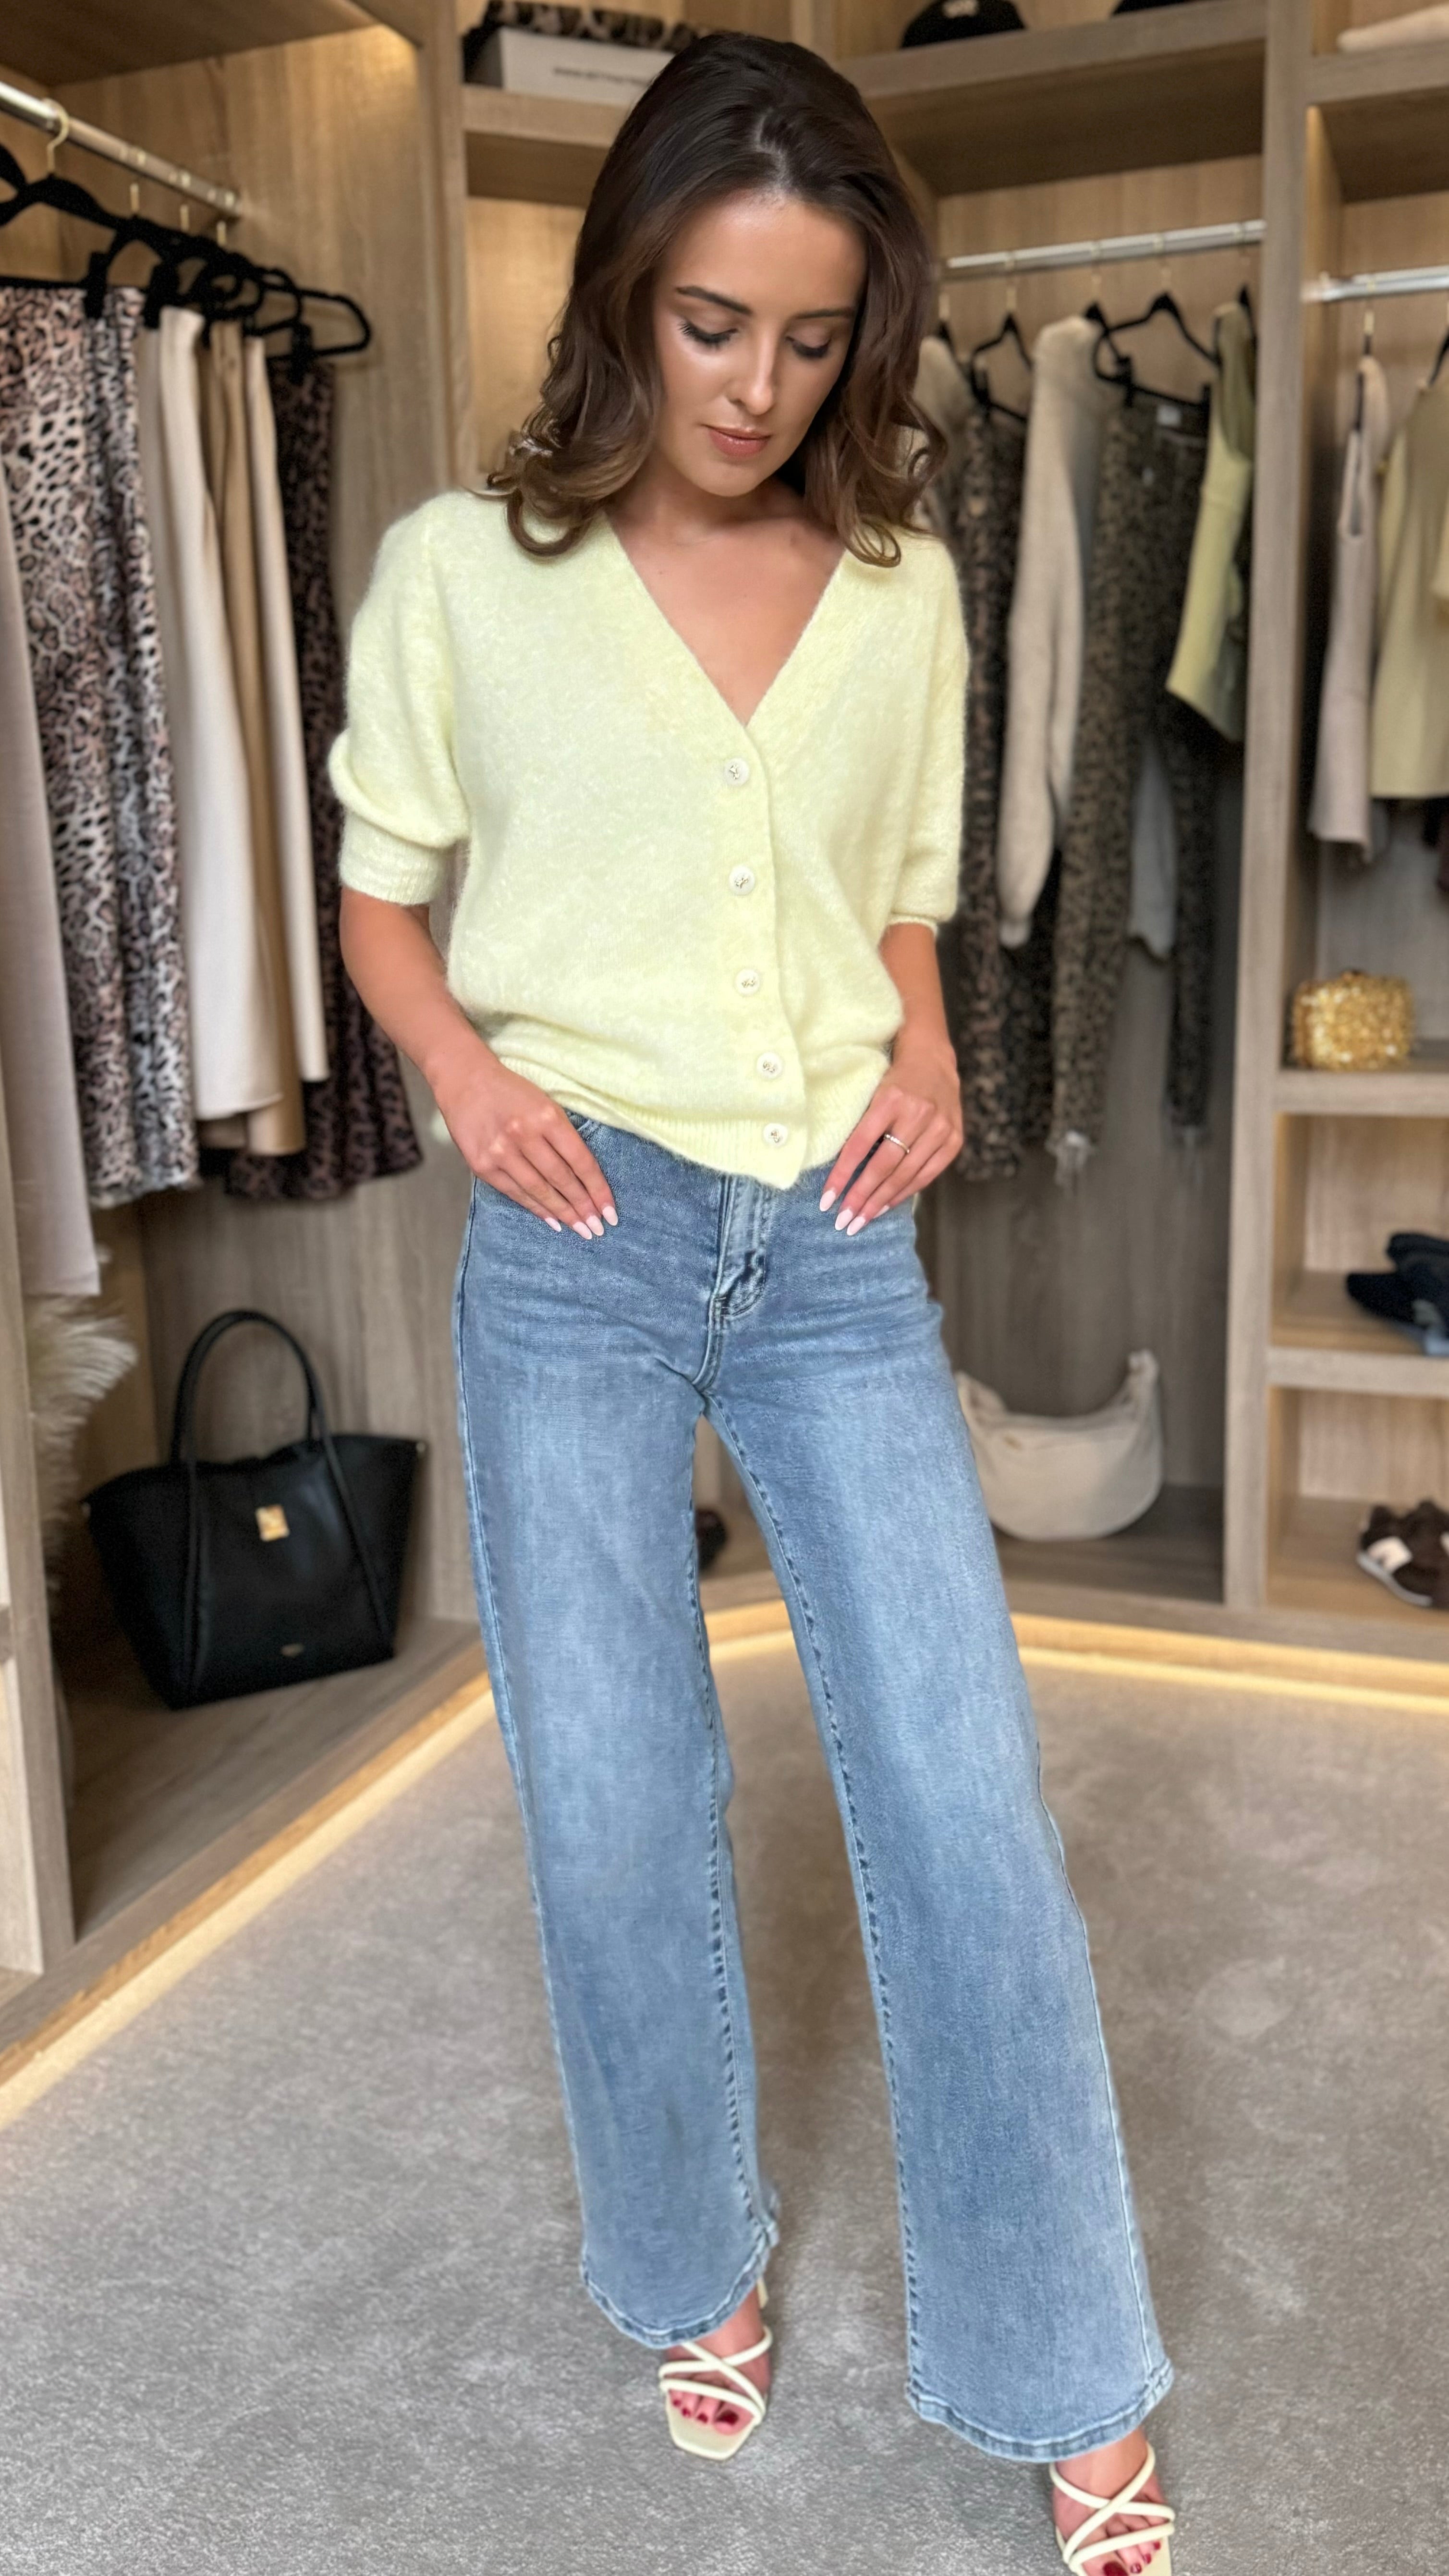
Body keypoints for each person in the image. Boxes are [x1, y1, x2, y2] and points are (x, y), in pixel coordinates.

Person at [330, 33, 1175, 2572]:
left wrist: (927, 1044)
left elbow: (901, 897)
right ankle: (692, 2250)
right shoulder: (463, 576)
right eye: (714, 325)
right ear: (626, 290)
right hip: (573, 1239)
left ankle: (1062, 2355)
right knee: (613, 1797)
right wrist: (466, 1075)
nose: (757, 386)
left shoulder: (904, 592)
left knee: (962, 1794)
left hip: (829, 1238)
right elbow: (379, 896)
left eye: (812, 338)